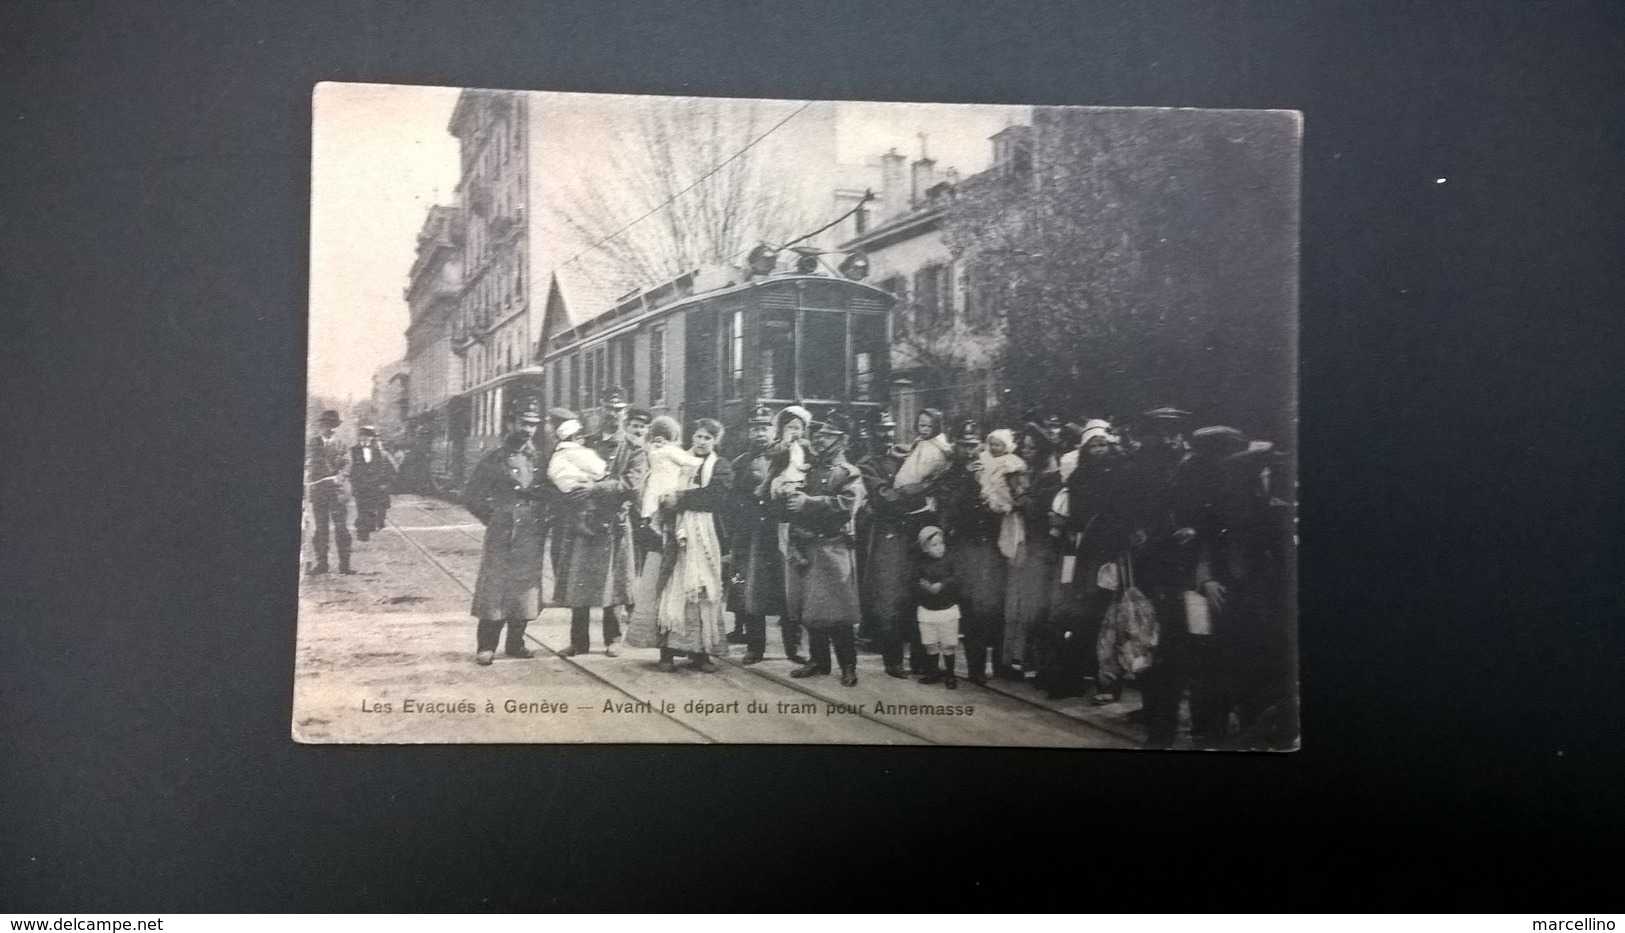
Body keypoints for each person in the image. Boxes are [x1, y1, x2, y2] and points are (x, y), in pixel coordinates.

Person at [862, 408, 950, 677]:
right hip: (889, 536)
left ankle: (922, 660)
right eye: (880, 430)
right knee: (890, 599)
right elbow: (884, 498)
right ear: (870, 434)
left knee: (918, 596)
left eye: (890, 429)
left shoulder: (910, 453)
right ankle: (893, 659)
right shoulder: (868, 464)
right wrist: (922, 491)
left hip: (915, 534)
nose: (886, 436)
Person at [550, 414, 645, 659]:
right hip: (583, 521)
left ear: (625, 413)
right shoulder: (584, 442)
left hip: (614, 522)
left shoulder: (634, 449)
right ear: (602, 409)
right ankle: (578, 641)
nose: (613, 413)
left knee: (612, 582)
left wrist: (596, 488)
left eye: (619, 408)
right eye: (608, 407)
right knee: (578, 581)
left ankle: (613, 639)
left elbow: (632, 483)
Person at [642, 419, 734, 672]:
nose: (702, 442)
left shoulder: (721, 466)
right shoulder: (677, 459)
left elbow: (716, 497)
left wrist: (680, 498)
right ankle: (667, 651)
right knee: (672, 585)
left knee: (703, 589)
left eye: (708, 438)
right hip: (675, 533)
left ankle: (700, 652)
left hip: (705, 534)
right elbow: (659, 484)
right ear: (691, 437)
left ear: (715, 442)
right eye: (699, 436)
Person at [785, 413, 866, 686]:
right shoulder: (808, 470)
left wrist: (809, 502)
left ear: (842, 440)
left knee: (839, 613)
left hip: (834, 547)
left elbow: (846, 505)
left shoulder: (849, 473)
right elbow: (795, 505)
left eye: (828, 435)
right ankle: (818, 661)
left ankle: (848, 666)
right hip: (810, 545)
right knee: (812, 610)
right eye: (819, 434)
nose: (820, 439)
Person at [465, 407, 548, 665]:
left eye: (533, 425)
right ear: (511, 423)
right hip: (502, 530)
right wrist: (493, 517)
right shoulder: (495, 459)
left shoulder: (539, 459)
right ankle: (487, 646)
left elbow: (550, 493)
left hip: (530, 530)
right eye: (523, 423)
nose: (528, 430)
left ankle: (516, 643)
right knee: (495, 586)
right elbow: (471, 495)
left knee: (524, 588)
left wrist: (544, 519)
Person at [936, 420, 1008, 685]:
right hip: (962, 549)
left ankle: (991, 666)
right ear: (956, 447)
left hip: (989, 548)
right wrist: (969, 480)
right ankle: (964, 666)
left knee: (988, 607)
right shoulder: (949, 476)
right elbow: (948, 511)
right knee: (965, 607)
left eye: (973, 446)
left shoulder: (991, 468)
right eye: (964, 446)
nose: (969, 452)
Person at [727, 405, 786, 665]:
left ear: (774, 431)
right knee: (751, 592)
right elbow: (732, 500)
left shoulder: (784, 460)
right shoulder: (740, 463)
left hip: (778, 533)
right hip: (751, 536)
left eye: (765, 428)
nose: (760, 434)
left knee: (786, 590)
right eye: (755, 428)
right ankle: (755, 646)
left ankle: (793, 647)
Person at [1002, 425, 1062, 678]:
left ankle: (1031, 661)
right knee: (1020, 601)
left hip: (1040, 548)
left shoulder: (1051, 477)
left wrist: (1020, 492)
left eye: (1030, 447)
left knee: (1033, 604)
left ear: (1042, 450)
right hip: (1026, 544)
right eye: (1024, 446)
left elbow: (1036, 511)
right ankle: (1017, 659)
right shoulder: (1033, 472)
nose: (1025, 451)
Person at [761, 405, 814, 663]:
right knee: (786, 583)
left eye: (798, 427)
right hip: (781, 514)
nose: (795, 431)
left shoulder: (808, 448)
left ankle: (801, 643)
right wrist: (786, 441)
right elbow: (772, 454)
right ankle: (791, 643)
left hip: (803, 513)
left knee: (803, 583)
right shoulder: (778, 448)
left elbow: (814, 465)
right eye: (789, 427)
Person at [305, 409, 354, 575]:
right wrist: (321, 476)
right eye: (326, 425)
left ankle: (345, 565)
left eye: (333, 425)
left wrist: (340, 476)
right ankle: (322, 564)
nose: (330, 428)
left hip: (337, 492)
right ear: (321, 426)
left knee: (341, 528)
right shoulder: (313, 444)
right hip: (319, 491)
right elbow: (312, 464)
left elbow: (347, 464)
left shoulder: (342, 444)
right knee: (321, 528)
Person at [914, 526, 961, 689]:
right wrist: (924, 587)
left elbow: (956, 579)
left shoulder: (950, 561)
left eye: (941, 543)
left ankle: (950, 674)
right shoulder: (921, 565)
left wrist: (942, 584)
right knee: (930, 644)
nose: (940, 547)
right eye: (934, 545)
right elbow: (915, 582)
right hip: (927, 612)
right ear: (925, 549)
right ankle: (932, 672)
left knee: (948, 644)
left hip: (947, 610)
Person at [349, 425, 397, 541]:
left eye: (368, 436)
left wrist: (384, 484)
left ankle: (368, 528)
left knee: (372, 510)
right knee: (361, 509)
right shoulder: (353, 451)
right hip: (360, 486)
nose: (365, 439)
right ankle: (362, 534)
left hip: (375, 487)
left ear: (372, 438)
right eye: (362, 436)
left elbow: (388, 468)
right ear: (359, 437)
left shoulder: (379, 452)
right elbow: (351, 469)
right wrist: (354, 484)